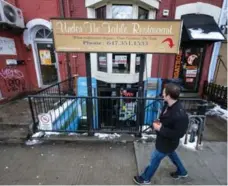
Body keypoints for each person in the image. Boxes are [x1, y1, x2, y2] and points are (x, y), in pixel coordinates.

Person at [133, 83, 189, 185]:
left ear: (168, 95)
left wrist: (160, 128)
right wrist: (159, 121)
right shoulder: (168, 104)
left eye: (163, 92)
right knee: (172, 155)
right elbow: (166, 119)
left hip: (166, 144)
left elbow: (178, 134)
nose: (162, 94)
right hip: (166, 142)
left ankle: (145, 178)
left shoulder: (180, 115)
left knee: (154, 159)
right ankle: (182, 171)